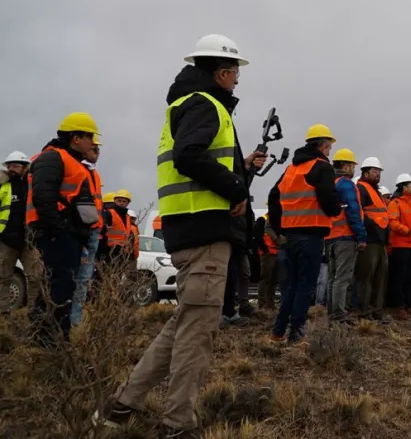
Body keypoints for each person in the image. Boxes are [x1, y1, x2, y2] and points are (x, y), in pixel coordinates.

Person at [100, 33, 257, 437]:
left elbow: (197, 156)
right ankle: (177, 424)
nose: (237, 82)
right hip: (203, 231)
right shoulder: (205, 104)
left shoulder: (188, 104)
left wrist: (242, 169)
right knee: (197, 332)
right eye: (235, 74)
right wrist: (235, 189)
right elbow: (190, 155)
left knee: (185, 323)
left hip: (191, 229)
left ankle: (122, 405)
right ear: (222, 73)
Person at [26, 112, 100, 346]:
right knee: (61, 284)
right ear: (75, 138)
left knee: (58, 283)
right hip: (56, 234)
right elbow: (43, 197)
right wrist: (61, 229)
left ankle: (45, 335)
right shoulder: (53, 158)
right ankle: (52, 340)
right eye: (89, 137)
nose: (92, 142)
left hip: (66, 234)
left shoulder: (69, 159)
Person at [267, 123, 341, 342]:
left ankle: (278, 332)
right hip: (312, 236)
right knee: (306, 285)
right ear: (323, 145)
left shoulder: (291, 169)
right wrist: (336, 210)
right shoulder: (322, 166)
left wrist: (280, 227)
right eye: (329, 148)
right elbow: (328, 198)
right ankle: (296, 332)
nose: (329, 152)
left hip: (290, 236)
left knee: (292, 285)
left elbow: (273, 196)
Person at [325, 148, 366, 323]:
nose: (354, 169)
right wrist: (361, 235)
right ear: (346, 165)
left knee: (333, 278)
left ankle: (332, 313)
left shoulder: (329, 183)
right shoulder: (346, 184)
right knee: (343, 278)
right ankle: (339, 315)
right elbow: (353, 211)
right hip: (346, 236)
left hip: (330, 237)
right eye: (352, 165)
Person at [0, 151, 41, 317]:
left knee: (36, 277)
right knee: (3, 278)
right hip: (6, 240)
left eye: (15, 166)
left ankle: (34, 312)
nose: (11, 169)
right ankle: (3, 313)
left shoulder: (34, 186)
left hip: (29, 241)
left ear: (25, 167)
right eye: (9, 166)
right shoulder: (3, 186)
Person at [70, 141, 104, 327]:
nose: (97, 152)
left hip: (93, 231)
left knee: (84, 278)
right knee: (77, 278)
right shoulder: (78, 171)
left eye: (98, 149)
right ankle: (73, 321)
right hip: (82, 231)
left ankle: (76, 320)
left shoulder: (94, 174)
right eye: (93, 149)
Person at [354, 157, 389, 320]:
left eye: (379, 172)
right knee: (366, 277)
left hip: (380, 240)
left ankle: (376, 310)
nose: (377, 175)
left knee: (380, 277)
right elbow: (359, 213)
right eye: (375, 171)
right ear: (365, 172)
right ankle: (364, 311)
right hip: (369, 239)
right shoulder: (361, 188)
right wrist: (372, 227)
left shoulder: (376, 191)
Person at [386, 173, 411, 319]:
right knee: (399, 277)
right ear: (403, 187)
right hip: (400, 246)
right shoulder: (395, 203)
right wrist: (409, 232)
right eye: (410, 185)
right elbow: (393, 222)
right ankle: (399, 307)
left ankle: (410, 306)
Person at [254, 214, 281, 310]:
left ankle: (270, 303)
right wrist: (265, 250)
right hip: (268, 254)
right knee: (265, 279)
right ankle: (262, 303)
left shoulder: (277, 220)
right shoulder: (263, 219)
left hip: (276, 253)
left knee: (274, 280)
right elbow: (257, 236)